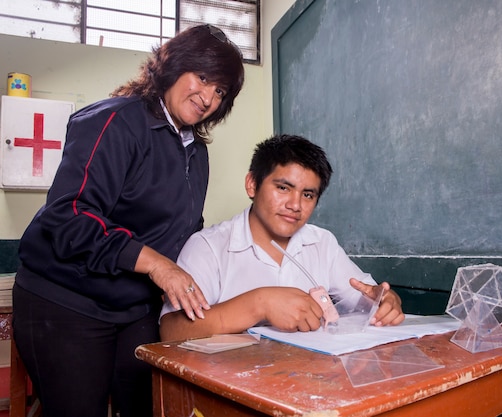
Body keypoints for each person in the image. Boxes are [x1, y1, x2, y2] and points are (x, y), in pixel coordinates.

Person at [12, 24, 244, 417]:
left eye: (220, 91)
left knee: (152, 406)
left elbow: (186, 232)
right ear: (172, 65)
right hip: (67, 301)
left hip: (134, 308)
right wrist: (156, 264)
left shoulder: (196, 153)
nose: (207, 98)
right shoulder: (115, 121)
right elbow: (69, 216)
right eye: (202, 78)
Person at [160, 134, 405, 341]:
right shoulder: (208, 247)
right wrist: (260, 303)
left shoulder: (322, 243)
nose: (295, 205)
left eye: (308, 195)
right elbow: (170, 331)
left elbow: (366, 299)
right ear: (252, 185)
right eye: (283, 188)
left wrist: (384, 303)